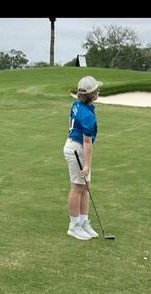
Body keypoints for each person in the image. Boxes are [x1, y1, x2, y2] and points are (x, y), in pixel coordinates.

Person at [63, 75, 103, 240]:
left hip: (75, 145)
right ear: (91, 94)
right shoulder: (87, 116)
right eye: (96, 90)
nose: (98, 91)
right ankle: (74, 226)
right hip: (77, 149)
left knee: (85, 188)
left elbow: (72, 122)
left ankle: (83, 222)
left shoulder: (77, 104)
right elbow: (87, 142)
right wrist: (87, 165)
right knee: (77, 187)